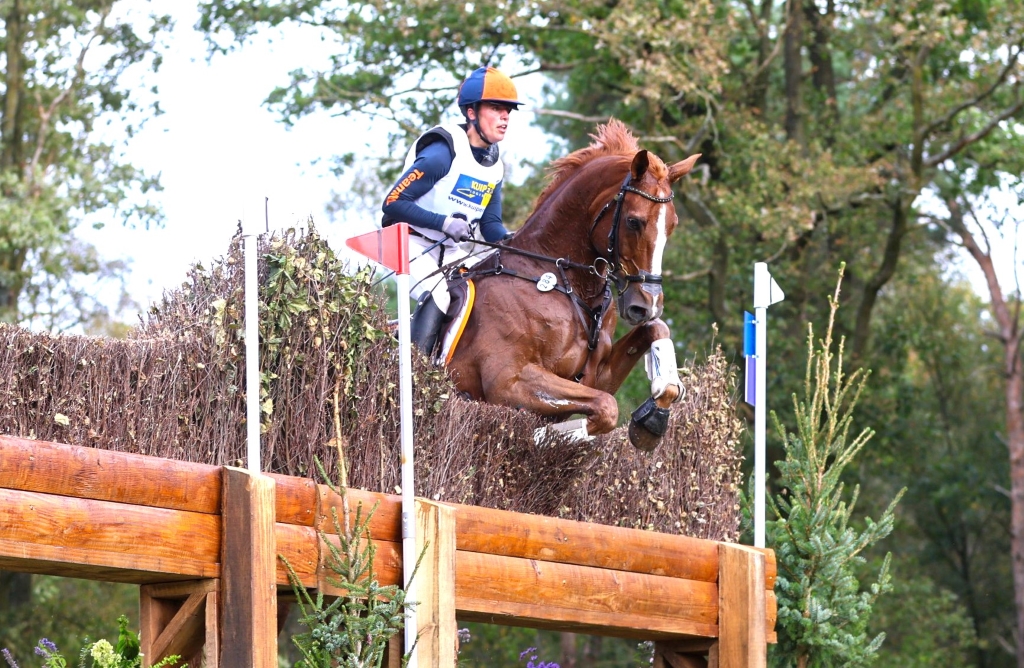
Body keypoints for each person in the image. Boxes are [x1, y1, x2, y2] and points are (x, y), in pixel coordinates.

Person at [381, 65, 520, 355]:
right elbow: (392, 203)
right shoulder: (442, 152)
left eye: (508, 110)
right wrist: (443, 223)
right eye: (496, 108)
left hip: (451, 253)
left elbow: (491, 224)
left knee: (486, 295)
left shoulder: (495, 166)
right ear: (471, 112)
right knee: (439, 297)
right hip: (409, 244)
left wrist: (514, 239)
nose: (505, 116)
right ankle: (416, 377)